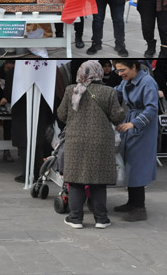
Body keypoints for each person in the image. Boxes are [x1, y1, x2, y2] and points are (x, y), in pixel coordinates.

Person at [57, 61, 126, 229]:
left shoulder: (71, 90)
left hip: (75, 141)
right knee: (98, 181)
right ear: (100, 73)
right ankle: (101, 219)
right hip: (100, 142)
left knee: (75, 180)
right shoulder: (109, 92)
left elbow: (61, 115)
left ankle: (75, 218)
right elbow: (118, 117)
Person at [113, 60, 159, 222]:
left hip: (142, 127)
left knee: (138, 165)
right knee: (130, 164)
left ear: (134, 67)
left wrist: (134, 123)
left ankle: (140, 208)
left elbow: (152, 108)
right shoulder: (127, 81)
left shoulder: (147, 82)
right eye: (117, 71)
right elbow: (115, 93)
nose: (120, 74)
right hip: (130, 123)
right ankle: (132, 203)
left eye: (122, 70)